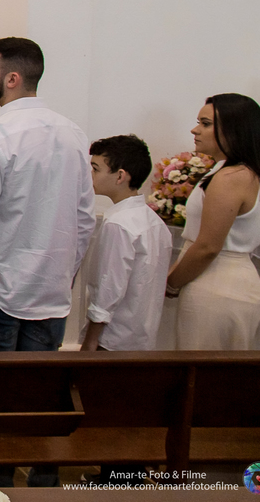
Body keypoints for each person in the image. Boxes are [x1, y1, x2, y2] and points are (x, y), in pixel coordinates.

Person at [0, 36, 95, 488]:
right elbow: (85, 218)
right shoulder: (73, 133)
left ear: (11, 79)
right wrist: (63, 272)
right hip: (50, 292)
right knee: (40, 401)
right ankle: (43, 490)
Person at [168, 94, 260, 350]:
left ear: (234, 129)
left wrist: (170, 282)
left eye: (205, 123)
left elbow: (208, 247)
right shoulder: (228, 170)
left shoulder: (231, 177)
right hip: (218, 280)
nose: (195, 130)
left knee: (205, 377)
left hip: (218, 282)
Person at [80, 135, 172, 354]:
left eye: (95, 168)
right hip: (141, 338)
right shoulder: (154, 222)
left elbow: (108, 289)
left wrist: (90, 341)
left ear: (120, 175)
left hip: (111, 340)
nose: (90, 174)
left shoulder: (119, 224)